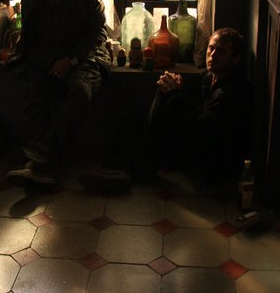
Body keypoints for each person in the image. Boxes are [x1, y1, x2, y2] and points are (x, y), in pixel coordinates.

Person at [0, 0, 111, 185]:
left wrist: (71, 60)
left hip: (83, 55)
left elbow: (97, 31)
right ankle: (42, 163)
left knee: (80, 92)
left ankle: (43, 164)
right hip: (43, 54)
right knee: (35, 93)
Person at [79, 27, 252, 193]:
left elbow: (204, 130)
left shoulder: (232, 92)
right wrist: (173, 87)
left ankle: (132, 168)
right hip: (192, 137)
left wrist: (176, 93)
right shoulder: (208, 77)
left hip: (211, 160)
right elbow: (191, 107)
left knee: (161, 111)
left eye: (220, 51)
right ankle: (111, 170)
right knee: (134, 121)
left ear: (235, 58)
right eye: (211, 48)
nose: (212, 55)